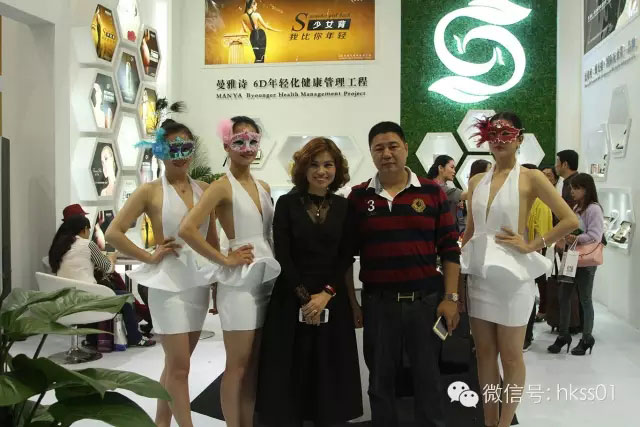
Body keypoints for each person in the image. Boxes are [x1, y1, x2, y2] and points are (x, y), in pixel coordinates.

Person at [461, 112, 578, 427]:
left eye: (506, 134)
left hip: (513, 279)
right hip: (479, 277)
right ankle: (489, 421)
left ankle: (504, 423)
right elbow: (470, 231)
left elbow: (571, 220)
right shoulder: (475, 182)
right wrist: (454, 268)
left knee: (511, 355)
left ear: (519, 138)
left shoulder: (531, 177)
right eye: (493, 134)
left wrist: (533, 244)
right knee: (484, 354)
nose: (499, 140)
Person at [347, 121, 460, 427]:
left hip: (425, 304)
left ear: (406, 148)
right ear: (371, 153)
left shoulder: (432, 193)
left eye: (393, 146)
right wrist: (353, 304)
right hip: (378, 305)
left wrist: (451, 298)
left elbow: (450, 249)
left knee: (428, 380)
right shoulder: (358, 197)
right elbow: (345, 255)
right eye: (379, 148)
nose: (386, 154)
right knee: (380, 382)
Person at [106, 119, 215, 427]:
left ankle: (160, 424)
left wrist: (218, 279)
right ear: (160, 151)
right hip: (166, 285)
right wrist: (149, 256)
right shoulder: (149, 191)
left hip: (198, 283)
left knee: (175, 366)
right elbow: (114, 232)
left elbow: (212, 241)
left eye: (186, 147)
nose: (181, 155)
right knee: (180, 369)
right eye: (173, 148)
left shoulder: (206, 190)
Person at [179, 116, 280, 427]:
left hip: (267, 280)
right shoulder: (221, 187)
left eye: (252, 141)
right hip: (238, 286)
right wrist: (223, 260)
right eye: (239, 141)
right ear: (226, 145)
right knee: (237, 366)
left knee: (253, 367)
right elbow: (187, 229)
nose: (247, 148)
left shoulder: (263, 186)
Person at [256, 138, 363, 426]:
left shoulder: (345, 206)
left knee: (330, 372)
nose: (321, 171)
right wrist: (306, 300)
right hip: (291, 298)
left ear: (337, 169)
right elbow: (283, 254)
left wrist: (325, 295)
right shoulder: (286, 203)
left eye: (328, 165)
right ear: (303, 168)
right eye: (314, 165)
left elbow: (345, 256)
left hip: (331, 299)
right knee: (293, 372)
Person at [49, 214, 155, 349]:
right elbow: (108, 268)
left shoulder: (59, 247)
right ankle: (135, 338)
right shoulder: (88, 244)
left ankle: (92, 339)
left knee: (102, 290)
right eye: (89, 230)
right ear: (84, 229)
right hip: (86, 297)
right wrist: (112, 258)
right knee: (126, 297)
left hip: (64, 299)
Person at [548, 173, 604, 356]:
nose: (572, 191)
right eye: (572, 188)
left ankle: (587, 337)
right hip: (571, 257)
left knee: (585, 299)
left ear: (586, 189)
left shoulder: (594, 209)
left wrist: (576, 238)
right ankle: (563, 334)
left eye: (576, 188)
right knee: (564, 296)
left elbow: (595, 235)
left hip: (585, 260)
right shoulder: (577, 207)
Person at [520, 164, 553, 351]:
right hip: (517, 254)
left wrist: (531, 250)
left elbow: (543, 234)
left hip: (530, 255)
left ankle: (527, 336)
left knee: (528, 295)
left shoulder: (541, 203)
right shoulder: (520, 198)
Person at [427, 154, 463, 232]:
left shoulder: (429, 185)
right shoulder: (440, 188)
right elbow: (468, 194)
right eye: (452, 167)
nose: (454, 171)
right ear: (441, 168)